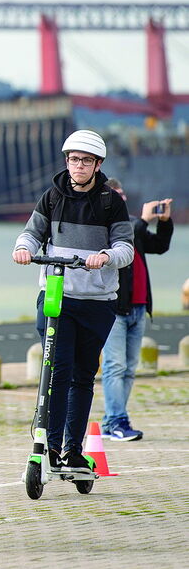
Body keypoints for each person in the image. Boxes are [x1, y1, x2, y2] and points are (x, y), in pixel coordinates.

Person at [12, 129, 133, 474]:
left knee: (83, 376)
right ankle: (49, 448)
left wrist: (106, 256)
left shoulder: (111, 202)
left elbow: (126, 248)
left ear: (97, 165)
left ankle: (73, 452)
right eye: (73, 159)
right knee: (57, 372)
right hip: (57, 297)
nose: (78, 165)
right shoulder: (51, 197)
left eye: (86, 161)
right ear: (67, 161)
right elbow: (32, 232)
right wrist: (24, 248)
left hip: (97, 302)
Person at [100, 179, 174, 441]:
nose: (121, 199)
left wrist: (164, 222)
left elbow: (160, 246)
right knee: (115, 365)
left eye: (122, 194)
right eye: (114, 195)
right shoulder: (106, 225)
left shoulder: (132, 224)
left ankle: (111, 421)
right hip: (116, 309)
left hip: (139, 306)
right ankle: (118, 420)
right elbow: (128, 236)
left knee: (130, 367)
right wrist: (143, 220)